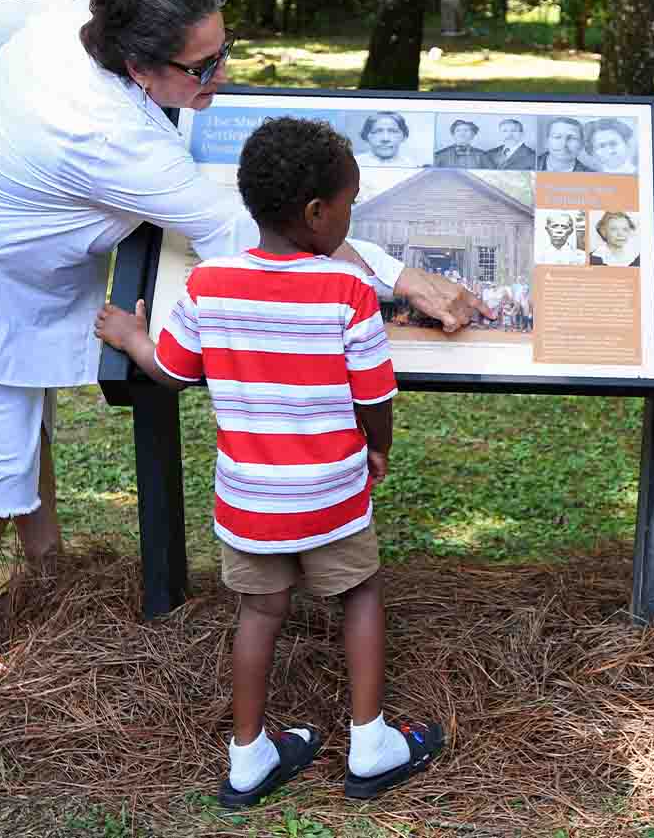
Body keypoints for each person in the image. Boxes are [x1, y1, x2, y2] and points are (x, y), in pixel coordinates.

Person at [0, 0, 486, 686]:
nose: (221, 76)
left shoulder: (78, 9)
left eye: (223, 51)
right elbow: (248, 227)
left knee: (30, 415)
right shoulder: (103, 133)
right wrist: (401, 275)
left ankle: (49, 568)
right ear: (137, 67)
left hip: (15, 252)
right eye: (202, 68)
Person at [94, 117, 446, 806]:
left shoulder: (209, 284)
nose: (352, 214)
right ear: (317, 213)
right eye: (349, 202)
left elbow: (170, 368)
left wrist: (132, 335)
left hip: (250, 501)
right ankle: (371, 744)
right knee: (361, 593)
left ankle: (249, 755)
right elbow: (375, 396)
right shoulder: (347, 292)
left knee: (258, 614)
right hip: (333, 496)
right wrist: (380, 446)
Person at [354, 111, 431, 169]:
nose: (385, 139)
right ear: (367, 136)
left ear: (403, 136)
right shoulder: (353, 164)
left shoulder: (413, 167)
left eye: (392, 131)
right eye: (377, 131)